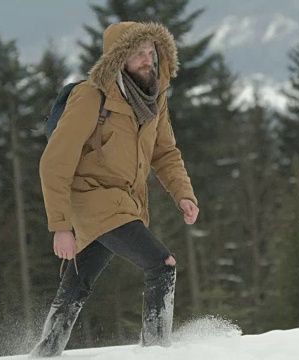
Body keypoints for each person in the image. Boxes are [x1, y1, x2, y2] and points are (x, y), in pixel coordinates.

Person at [30, 21, 199, 358]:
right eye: (138, 54)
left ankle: (45, 351)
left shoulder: (154, 98)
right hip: (91, 198)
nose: (147, 60)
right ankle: (157, 350)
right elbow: (55, 163)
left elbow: (164, 152)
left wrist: (183, 194)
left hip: (126, 202)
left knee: (79, 281)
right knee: (162, 265)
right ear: (119, 58)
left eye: (151, 52)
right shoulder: (91, 96)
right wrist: (61, 225)